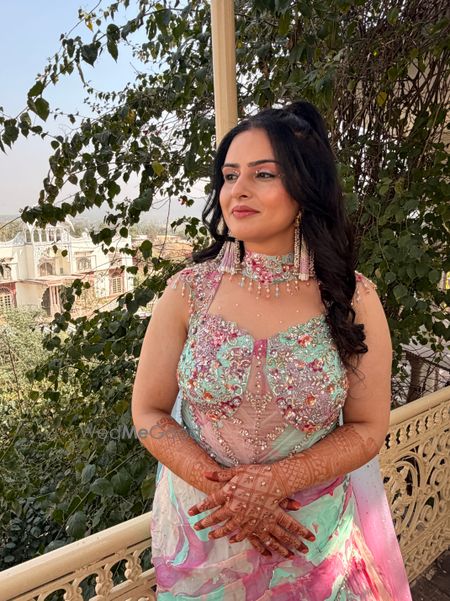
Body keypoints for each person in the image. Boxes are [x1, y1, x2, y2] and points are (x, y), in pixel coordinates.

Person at [131, 101, 412, 600]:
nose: (237, 189)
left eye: (262, 174)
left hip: (312, 539)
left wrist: (277, 481)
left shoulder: (352, 298)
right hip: (207, 537)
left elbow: (368, 427)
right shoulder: (188, 292)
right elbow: (149, 412)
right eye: (229, 175)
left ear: (306, 187)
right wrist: (233, 494)